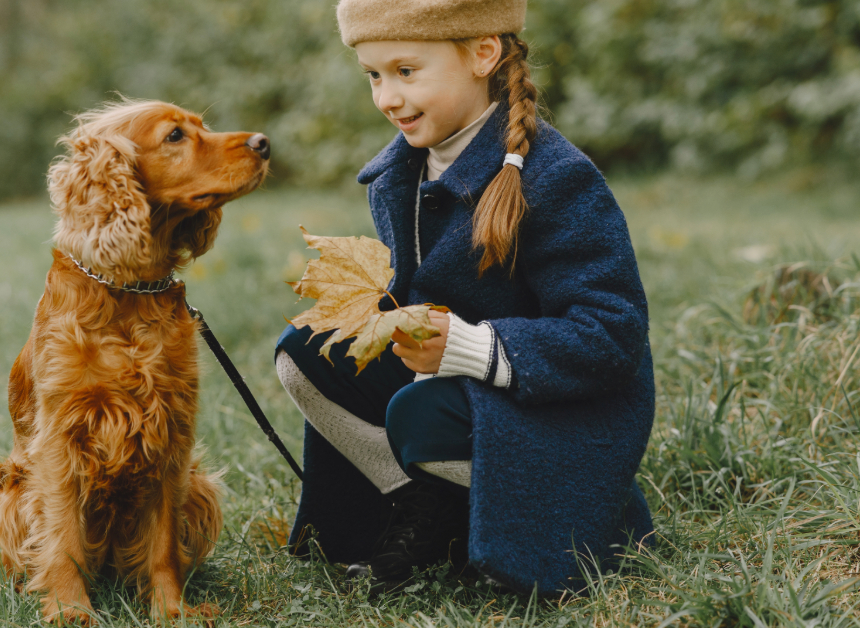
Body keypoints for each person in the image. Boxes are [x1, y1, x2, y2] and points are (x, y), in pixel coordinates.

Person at [274, 0, 655, 596]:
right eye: (373, 75)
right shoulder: (399, 174)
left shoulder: (556, 177)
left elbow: (613, 334)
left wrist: (473, 349)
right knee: (310, 351)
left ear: (483, 53)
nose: (387, 98)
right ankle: (436, 513)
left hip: (553, 409)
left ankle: (589, 521)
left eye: (406, 71)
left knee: (417, 415)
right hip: (451, 387)